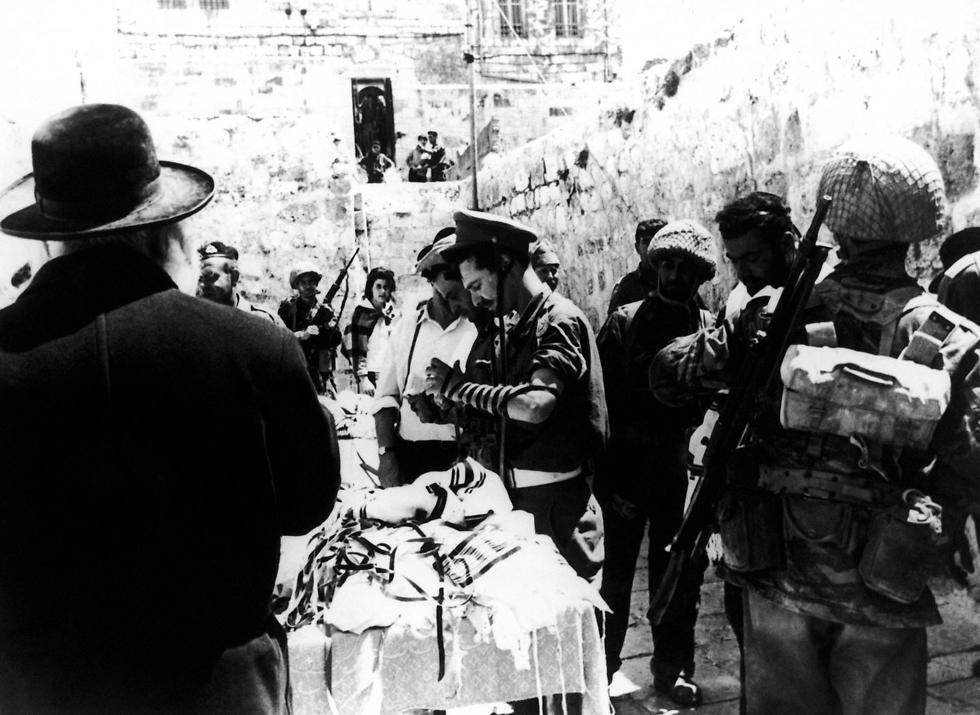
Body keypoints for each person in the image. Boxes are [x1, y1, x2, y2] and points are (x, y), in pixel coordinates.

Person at [0, 103, 340, 713]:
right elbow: (307, 502)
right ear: (165, 228)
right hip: (215, 686)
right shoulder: (253, 345)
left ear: (51, 235)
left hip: (41, 687)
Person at [652, 135, 980, 714]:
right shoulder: (950, 338)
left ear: (841, 232)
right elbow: (968, 464)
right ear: (918, 230)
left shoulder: (772, 314)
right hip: (886, 572)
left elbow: (667, 374)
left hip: (780, 561)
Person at [424, 209, 607, 714]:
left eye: (480, 284)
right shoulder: (510, 326)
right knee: (523, 662)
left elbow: (533, 405)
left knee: (563, 662)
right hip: (516, 506)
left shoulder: (559, 320)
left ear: (506, 263)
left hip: (558, 511)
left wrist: (463, 389)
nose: (476, 298)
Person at [596, 220, 716, 707]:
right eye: (666, 264)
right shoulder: (624, 323)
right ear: (653, 265)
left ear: (699, 276)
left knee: (680, 580)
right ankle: (600, 673)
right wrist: (606, 482)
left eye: (685, 269)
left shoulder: (708, 328)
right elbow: (599, 407)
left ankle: (673, 672)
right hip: (626, 474)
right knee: (613, 581)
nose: (674, 275)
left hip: (679, 474)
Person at [373, 228, 477, 486]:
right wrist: (386, 456)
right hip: (413, 458)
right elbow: (386, 397)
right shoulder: (407, 328)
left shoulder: (478, 328)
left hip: (467, 459)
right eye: (448, 274)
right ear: (432, 278)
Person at [278, 261, 343, 395]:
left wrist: (327, 326)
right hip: (296, 369)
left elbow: (336, 340)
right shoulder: (288, 308)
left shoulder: (325, 310)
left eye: (311, 282)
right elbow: (279, 338)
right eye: (303, 282)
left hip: (320, 372)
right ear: (296, 285)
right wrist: (302, 335)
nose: (308, 286)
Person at [197, 240, 286, 326]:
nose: (202, 285)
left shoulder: (265, 321)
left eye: (210, 276)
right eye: (199, 279)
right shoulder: (195, 322)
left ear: (234, 277)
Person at [346, 265, 397, 395]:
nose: (383, 291)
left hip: (390, 373)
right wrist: (364, 379)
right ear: (371, 288)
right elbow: (354, 347)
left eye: (386, 287)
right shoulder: (361, 313)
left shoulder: (392, 313)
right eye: (378, 286)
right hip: (371, 375)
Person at [608, 217, 668, 313]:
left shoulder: (678, 281)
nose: (652, 247)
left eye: (656, 240)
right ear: (637, 248)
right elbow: (615, 324)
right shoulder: (625, 287)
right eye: (646, 242)